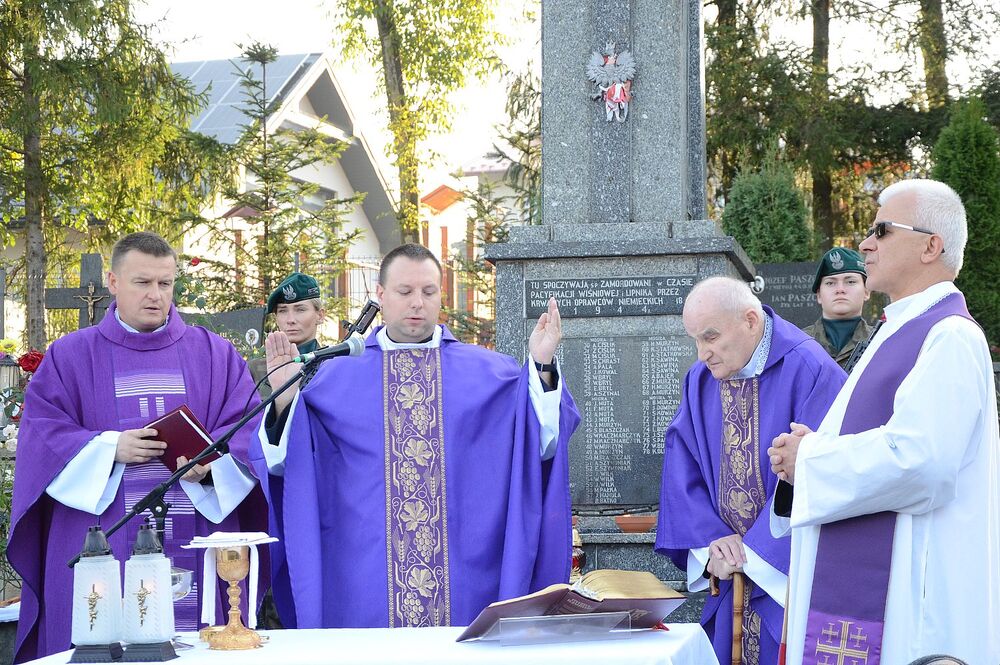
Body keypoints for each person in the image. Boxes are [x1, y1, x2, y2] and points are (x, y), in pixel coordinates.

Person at [248, 243, 580, 629]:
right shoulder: (336, 377)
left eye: (428, 291)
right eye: (405, 292)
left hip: (465, 576)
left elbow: (541, 444)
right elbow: (290, 466)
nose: (417, 303)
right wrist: (286, 400)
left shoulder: (490, 374)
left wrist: (540, 366)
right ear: (381, 295)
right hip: (364, 577)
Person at [769, 179, 1000, 664]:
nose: (865, 244)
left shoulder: (949, 336)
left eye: (881, 230)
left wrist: (810, 458)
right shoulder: (898, 331)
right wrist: (814, 448)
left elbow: (922, 461)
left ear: (930, 246)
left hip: (912, 601)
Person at [8, 232, 266, 663]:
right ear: (112, 281)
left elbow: (246, 426)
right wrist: (109, 448)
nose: (156, 296)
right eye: (142, 283)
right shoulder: (70, 356)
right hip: (103, 533)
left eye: (165, 284)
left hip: (195, 526)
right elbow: (42, 434)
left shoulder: (214, 353)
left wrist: (212, 463)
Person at [655, 276, 846, 665]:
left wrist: (753, 555)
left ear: (750, 320)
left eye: (710, 337)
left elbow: (829, 471)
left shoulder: (810, 369)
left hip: (786, 579)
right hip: (728, 579)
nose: (702, 353)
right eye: (694, 340)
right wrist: (713, 543)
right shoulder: (700, 379)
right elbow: (682, 464)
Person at [249, 272, 326, 398]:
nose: (290, 319)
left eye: (300, 309)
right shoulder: (255, 370)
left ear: (320, 316)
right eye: (283, 311)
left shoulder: (333, 367)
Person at [801, 247, 874, 370]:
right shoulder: (799, 343)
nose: (840, 289)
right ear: (819, 295)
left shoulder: (881, 341)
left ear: (866, 291)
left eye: (850, 282)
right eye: (830, 283)